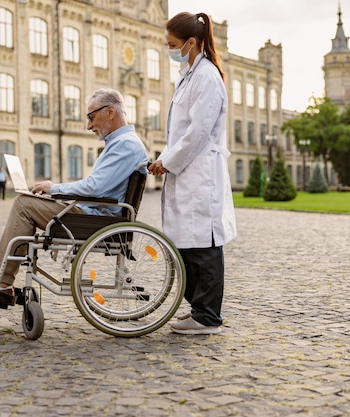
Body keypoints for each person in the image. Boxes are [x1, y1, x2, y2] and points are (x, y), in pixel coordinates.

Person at [0, 88, 148, 303]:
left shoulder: (125, 145)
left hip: (97, 219)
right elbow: (99, 188)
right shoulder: (122, 143)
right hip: (96, 213)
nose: (89, 125)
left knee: (24, 204)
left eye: (91, 117)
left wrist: (54, 188)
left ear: (111, 111)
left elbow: (95, 187)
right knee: (27, 203)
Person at [148, 12, 237, 335]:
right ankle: (198, 308)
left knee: (204, 246)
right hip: (187, 169)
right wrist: (165, 158)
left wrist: (168, 161)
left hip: (200, 172)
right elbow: (179, 133)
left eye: (173, 45)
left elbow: (197, 132)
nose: (169, 50)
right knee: (186, 242)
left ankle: (209, 316)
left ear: (191, 42)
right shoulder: (188, 75)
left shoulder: (207, 77)